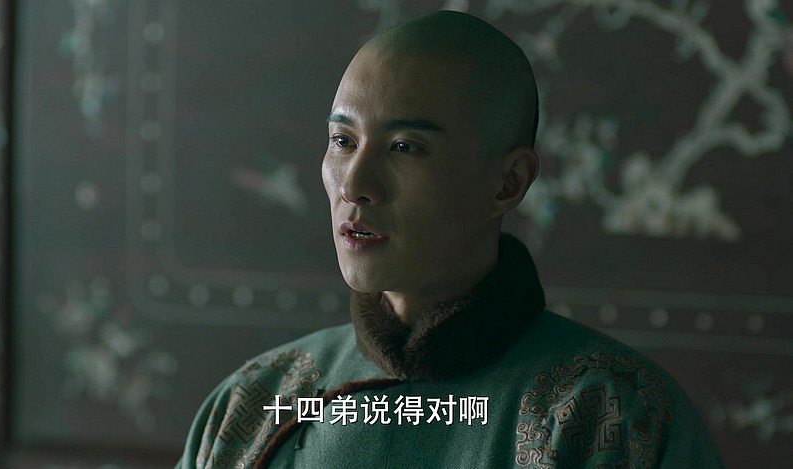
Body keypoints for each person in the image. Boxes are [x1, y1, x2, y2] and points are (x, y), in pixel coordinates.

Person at [177, 10, 724, 468]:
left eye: (405, 147)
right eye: (343, 141)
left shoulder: (611, 413)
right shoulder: (258, 400)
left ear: (507, 182)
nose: (355, 184)